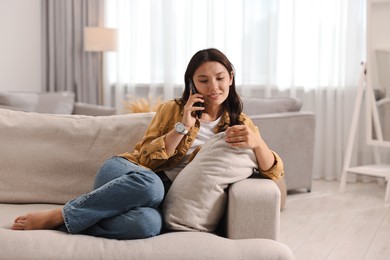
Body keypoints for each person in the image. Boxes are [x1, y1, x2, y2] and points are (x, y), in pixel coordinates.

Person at [11, 48, 284, 240]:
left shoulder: (239, 123)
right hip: (128, 173)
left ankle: (73, 221)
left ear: (231, 78)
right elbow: (146, 158)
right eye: (203, 80)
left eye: (220, 78)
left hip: (159, 198)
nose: (213, 86)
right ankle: (61, 213)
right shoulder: (174, 109)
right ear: (192, 83)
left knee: (148, 224)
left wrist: (258, 143)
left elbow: (274, 173)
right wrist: (183, 127)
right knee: (152, 185)